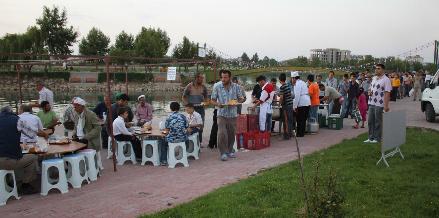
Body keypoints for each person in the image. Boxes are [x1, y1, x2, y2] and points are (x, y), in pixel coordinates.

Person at [0, 106, 40, 194]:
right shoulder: (16, 120)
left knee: (16, 157)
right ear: (12, 112)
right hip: (7, 160)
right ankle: (25, 185)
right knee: (32, 158)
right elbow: (31, 134)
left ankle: (9, 181)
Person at [211, 70, 245, 161]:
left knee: (231, 134)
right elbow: (213, 100)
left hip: (233, 114)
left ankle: (230, 150)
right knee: (222, 133)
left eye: (225, 77)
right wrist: (218, 104)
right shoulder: (217, 86)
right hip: (221, 114)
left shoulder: (236, 87)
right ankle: (223, 153)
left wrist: (238, 102)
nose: (223, 79)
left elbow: (241, 98)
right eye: (222, 77)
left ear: (230, 77)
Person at [364, 64, 391, 143]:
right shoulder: (374, 78)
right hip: (371, 102)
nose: (376, 70)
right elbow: (371, 87)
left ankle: (377, 138)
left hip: (380, 103)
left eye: (378, 68)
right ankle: (370, 137)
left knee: (377, 121)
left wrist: (386, 106)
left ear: (383, 70)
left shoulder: (386, 80)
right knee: (370, 121)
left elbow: (387, 93)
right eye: (376, 68)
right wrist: (369, 91)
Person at [182, 73, 208, 145]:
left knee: (200, 124)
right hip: (191, 109)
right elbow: (184, 97)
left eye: (202, 78)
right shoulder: (189, 86)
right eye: (201, 78)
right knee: (190, 124)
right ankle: (190, 141)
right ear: (196, 78)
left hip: (200, 108)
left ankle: (200, 141)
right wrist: (187, 105)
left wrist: (205, 103)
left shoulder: (203, 87)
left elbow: (206, 97)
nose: (202, 79)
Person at [291, 71, 311, 137]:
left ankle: (300, 134)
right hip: (307, 102)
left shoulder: (297, 84)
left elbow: (297, 96)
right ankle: (302, 133)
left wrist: (294, 106)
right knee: (303, 119)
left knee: (300, 119)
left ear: (294, 78)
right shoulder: (302, 82)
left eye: (292, 78)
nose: (292, 80)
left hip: (302, 102)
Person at [278, 73, 295, 139]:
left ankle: (286, 135)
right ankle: (290, 134)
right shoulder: (288, 85)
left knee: (286, 120)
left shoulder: (282, 87)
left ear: (279, 80)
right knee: (290, 120)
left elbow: (281, 98)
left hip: (286, 106)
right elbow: (289, 94)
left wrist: (279, 105)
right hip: (290, 104)